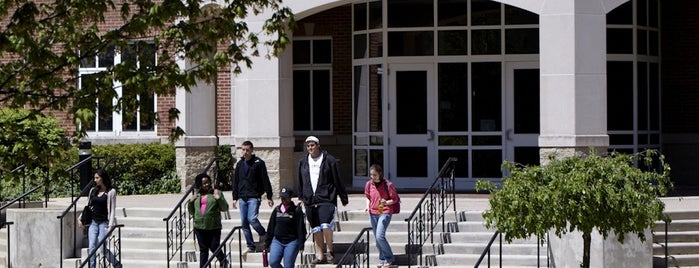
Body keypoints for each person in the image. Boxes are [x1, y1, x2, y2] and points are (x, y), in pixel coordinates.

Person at [297, 135, 349, 264]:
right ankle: (320, 255)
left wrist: (343, 197)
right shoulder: (303, 162)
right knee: (316, 228)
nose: (310, 148)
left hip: (326, 198)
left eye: (312, 145)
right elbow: (300, 181)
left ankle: (330, 251)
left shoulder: (329, 160)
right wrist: (301, 197)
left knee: (326, 224)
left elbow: (337, 178)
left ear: (318, 145)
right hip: (310, 199)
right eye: (308, 146)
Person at [232, 140, 274, 253]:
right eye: (243, 150)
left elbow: (265, 180)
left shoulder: (258, 163)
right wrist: (235, 197)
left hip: (254, 197)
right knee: (244, 223)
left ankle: (263, 233)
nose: (245, 152)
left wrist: (269, 196)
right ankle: (250, 245)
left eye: (247, 150)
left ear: (251, 150)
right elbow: (236, 181)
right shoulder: (240, 164)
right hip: (242, 197)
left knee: (252, 218)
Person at [79, 168, 122, 268]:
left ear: (103, 178)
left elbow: (112, 210)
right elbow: (88, 206)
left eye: (97, 178)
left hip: (104, 223)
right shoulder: (92, 191)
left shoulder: (111, 192)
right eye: (94, 178)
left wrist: (110, 225)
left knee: (102, 248)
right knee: (92, 246)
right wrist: (81, 218)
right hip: (93, 222)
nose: (95, 180)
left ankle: (116, 264)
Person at [188, 173, 230, 267]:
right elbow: (192, 212)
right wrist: (191, 202)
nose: (206, 184)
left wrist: (219, 199)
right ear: (200, 185)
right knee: (203, 250)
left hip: (213, 226)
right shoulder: (197, 195)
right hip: (199, 226)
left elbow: (224, 208)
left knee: (214, 246)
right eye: (204, 183)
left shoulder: (216, 193)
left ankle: (223, 261)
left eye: (207, 182)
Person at [365, 164, 400, 268]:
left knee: (380, 236)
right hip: (373, 212)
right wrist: (367, 206)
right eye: (371, 175)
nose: (373, 177)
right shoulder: (368, 184)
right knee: (377, 238)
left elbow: (395, 199)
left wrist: (386, 202)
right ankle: (382, 259)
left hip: (385, 212)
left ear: (380, 173)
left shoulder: (388, 184)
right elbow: (367, 197)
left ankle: (389, 259)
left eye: (375, 175)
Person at [264, 187, 307, 268]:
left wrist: (301, 244)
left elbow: (300, 228)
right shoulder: (276, 210)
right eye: (282, 198)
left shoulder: (296, 210)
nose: (283, 200)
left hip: (291, 241)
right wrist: (267, 243)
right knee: (273, 262)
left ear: (290, 198)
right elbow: (271, 227)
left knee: (288, 266)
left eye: (285, 198)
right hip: (277, 241)